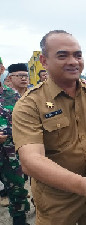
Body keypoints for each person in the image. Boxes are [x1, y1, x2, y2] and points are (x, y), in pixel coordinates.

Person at [12, 30, 86, 225]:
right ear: (44, 61)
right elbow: (30, 160)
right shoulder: (30, 103)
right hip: (57, 199)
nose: (73, 61)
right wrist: (82, 185)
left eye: (78, 55)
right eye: (63, 55)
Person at [0, 61, 30, 224]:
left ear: (2, 69)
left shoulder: (12, 95)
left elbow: (24, 122)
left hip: (10, 153)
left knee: (17, 191)